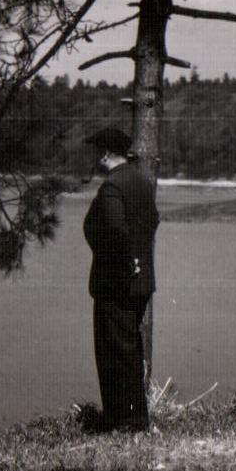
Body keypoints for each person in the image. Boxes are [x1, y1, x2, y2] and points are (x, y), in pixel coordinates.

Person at [81, 127, 159, 433]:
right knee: (130, 350)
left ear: (105, 153)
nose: (92, 157)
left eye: (95, 151)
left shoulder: (112, 186)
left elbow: (114, 228)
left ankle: (123, 421)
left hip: (116, 283)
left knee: (113, 352)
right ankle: (133, 418)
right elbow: (152, 221)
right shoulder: (141, 182)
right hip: (139, 283)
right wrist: (139, 258)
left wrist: (126, 262)